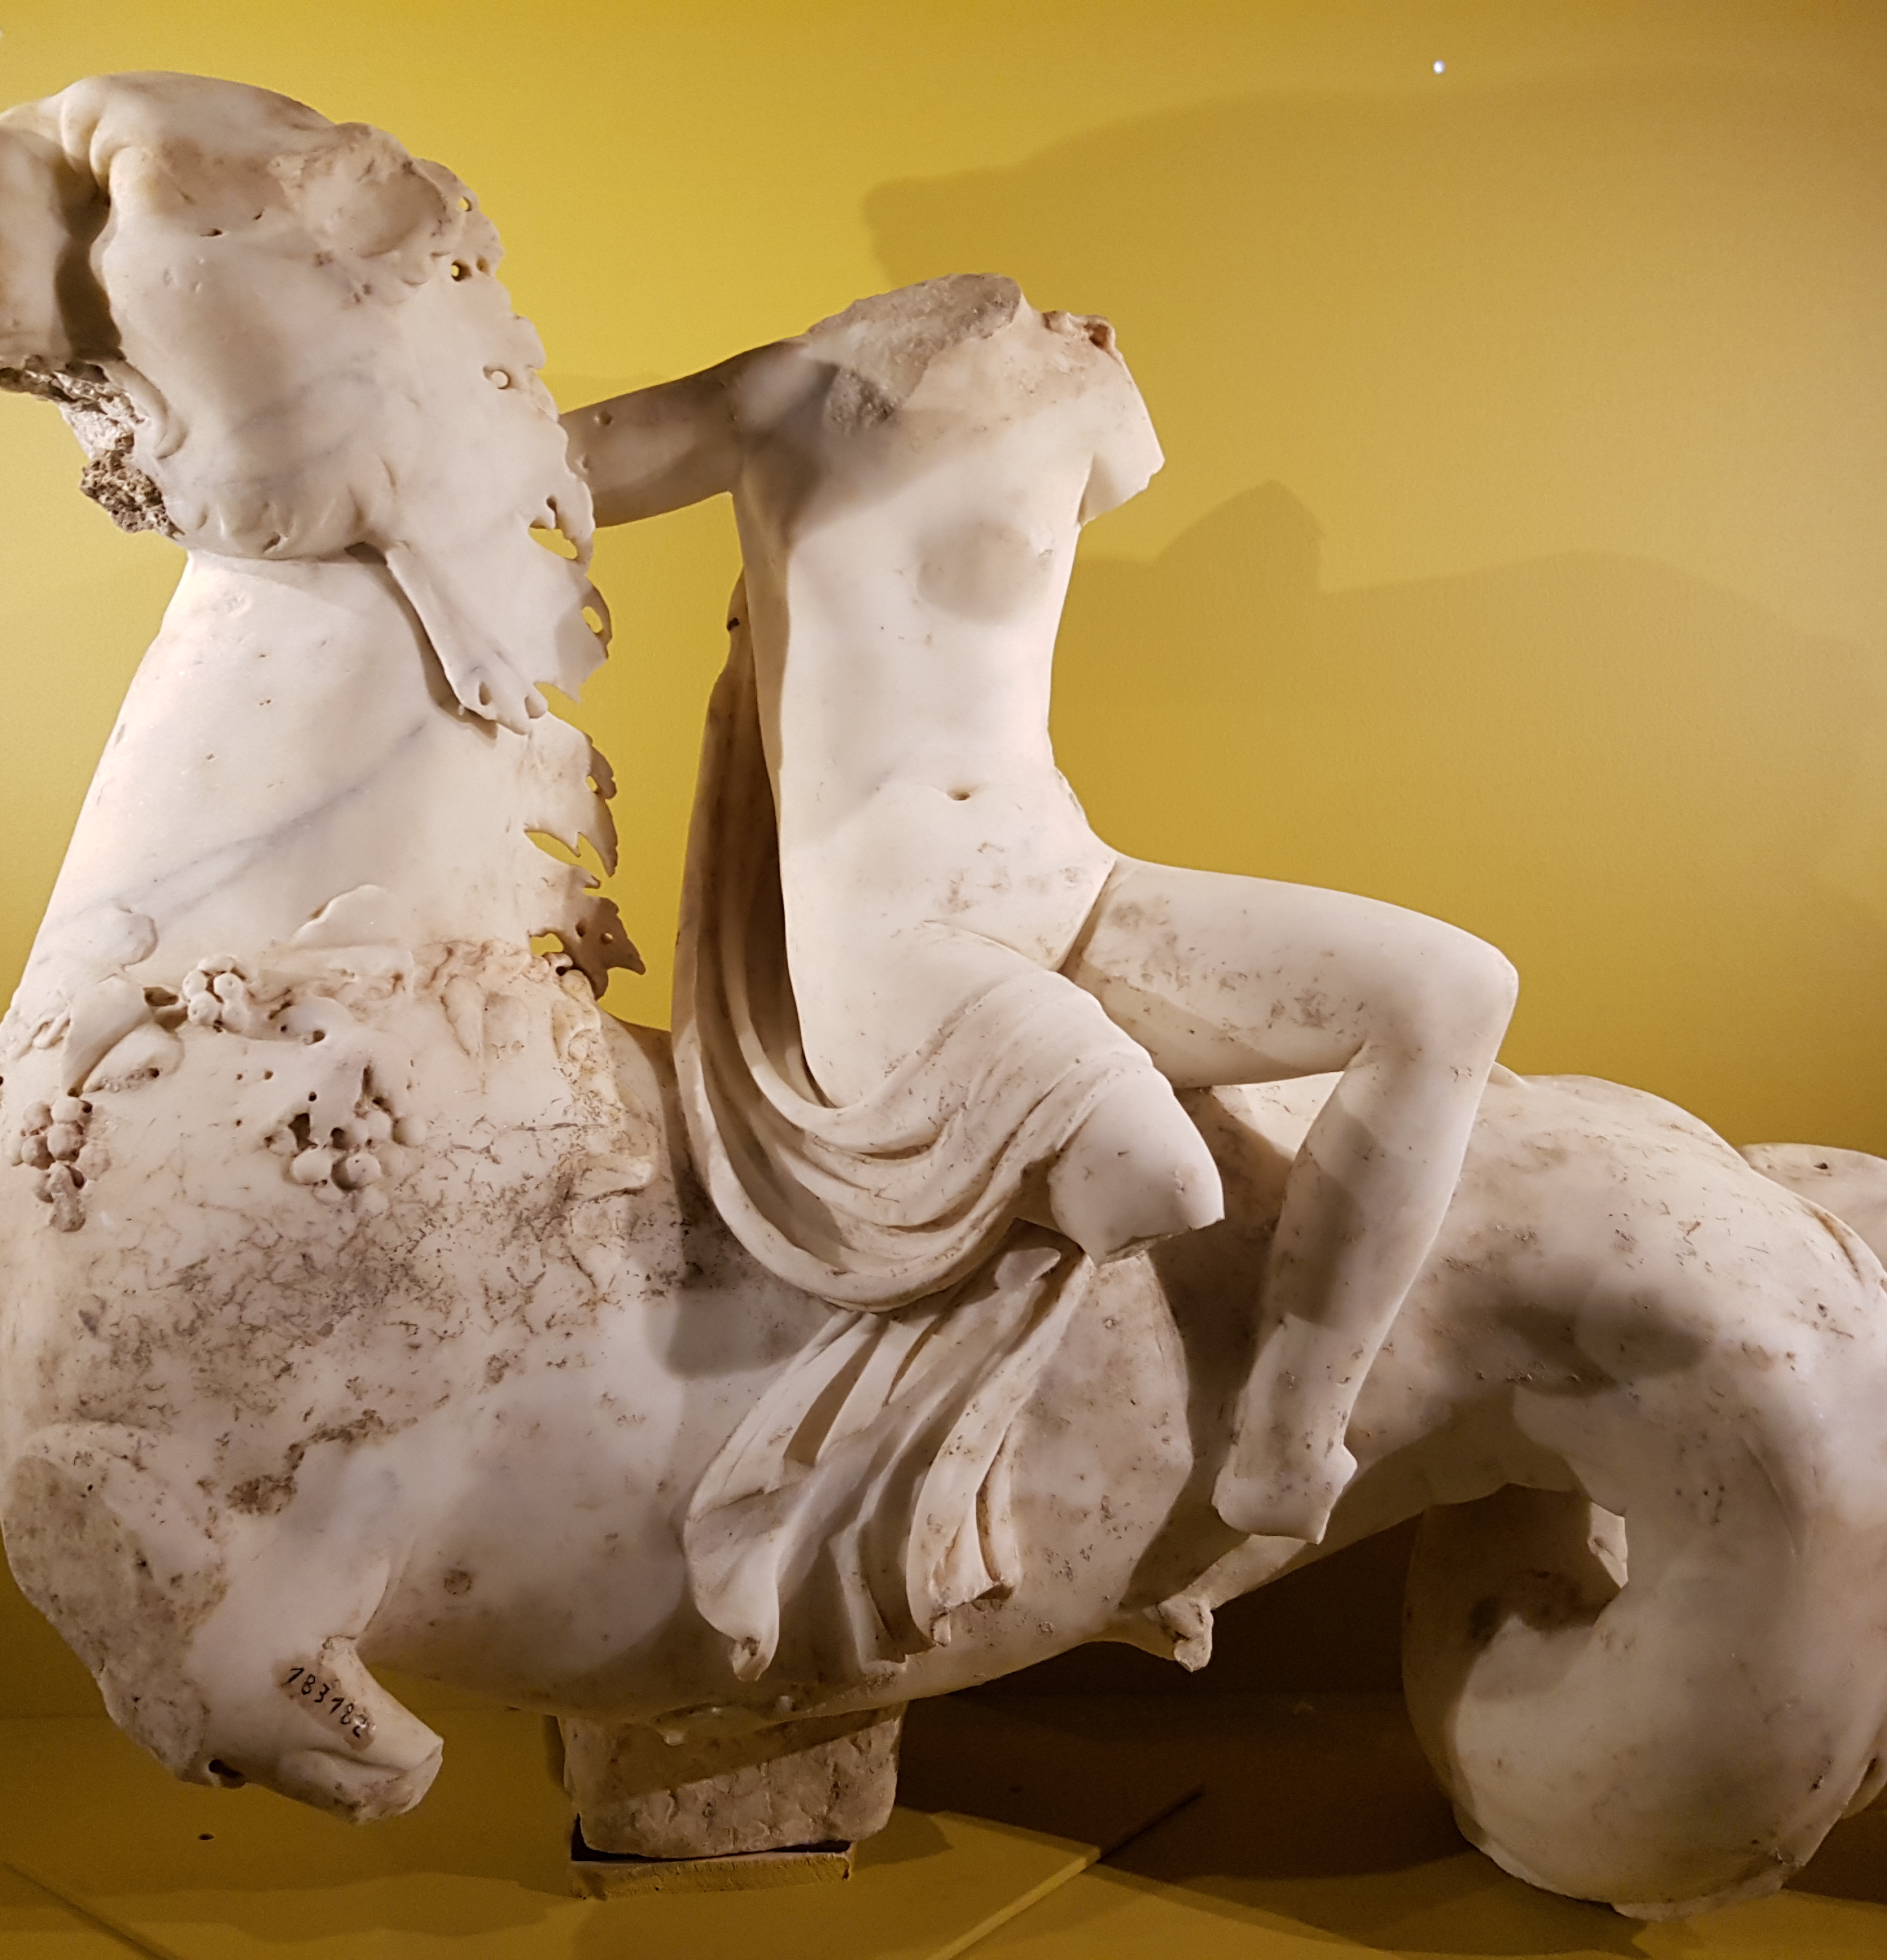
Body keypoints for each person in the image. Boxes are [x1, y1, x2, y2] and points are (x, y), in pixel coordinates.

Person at [564, 275, 1516, 1543]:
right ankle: (886, 1476)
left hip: (1068, 880)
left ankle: (1291, 1434)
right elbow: (525, 472)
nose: (1085, 328)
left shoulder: (1074, 400)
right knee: (1155, 1181)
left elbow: (1129, 463)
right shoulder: (789, 391)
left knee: (1451, 988)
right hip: (898, 930)